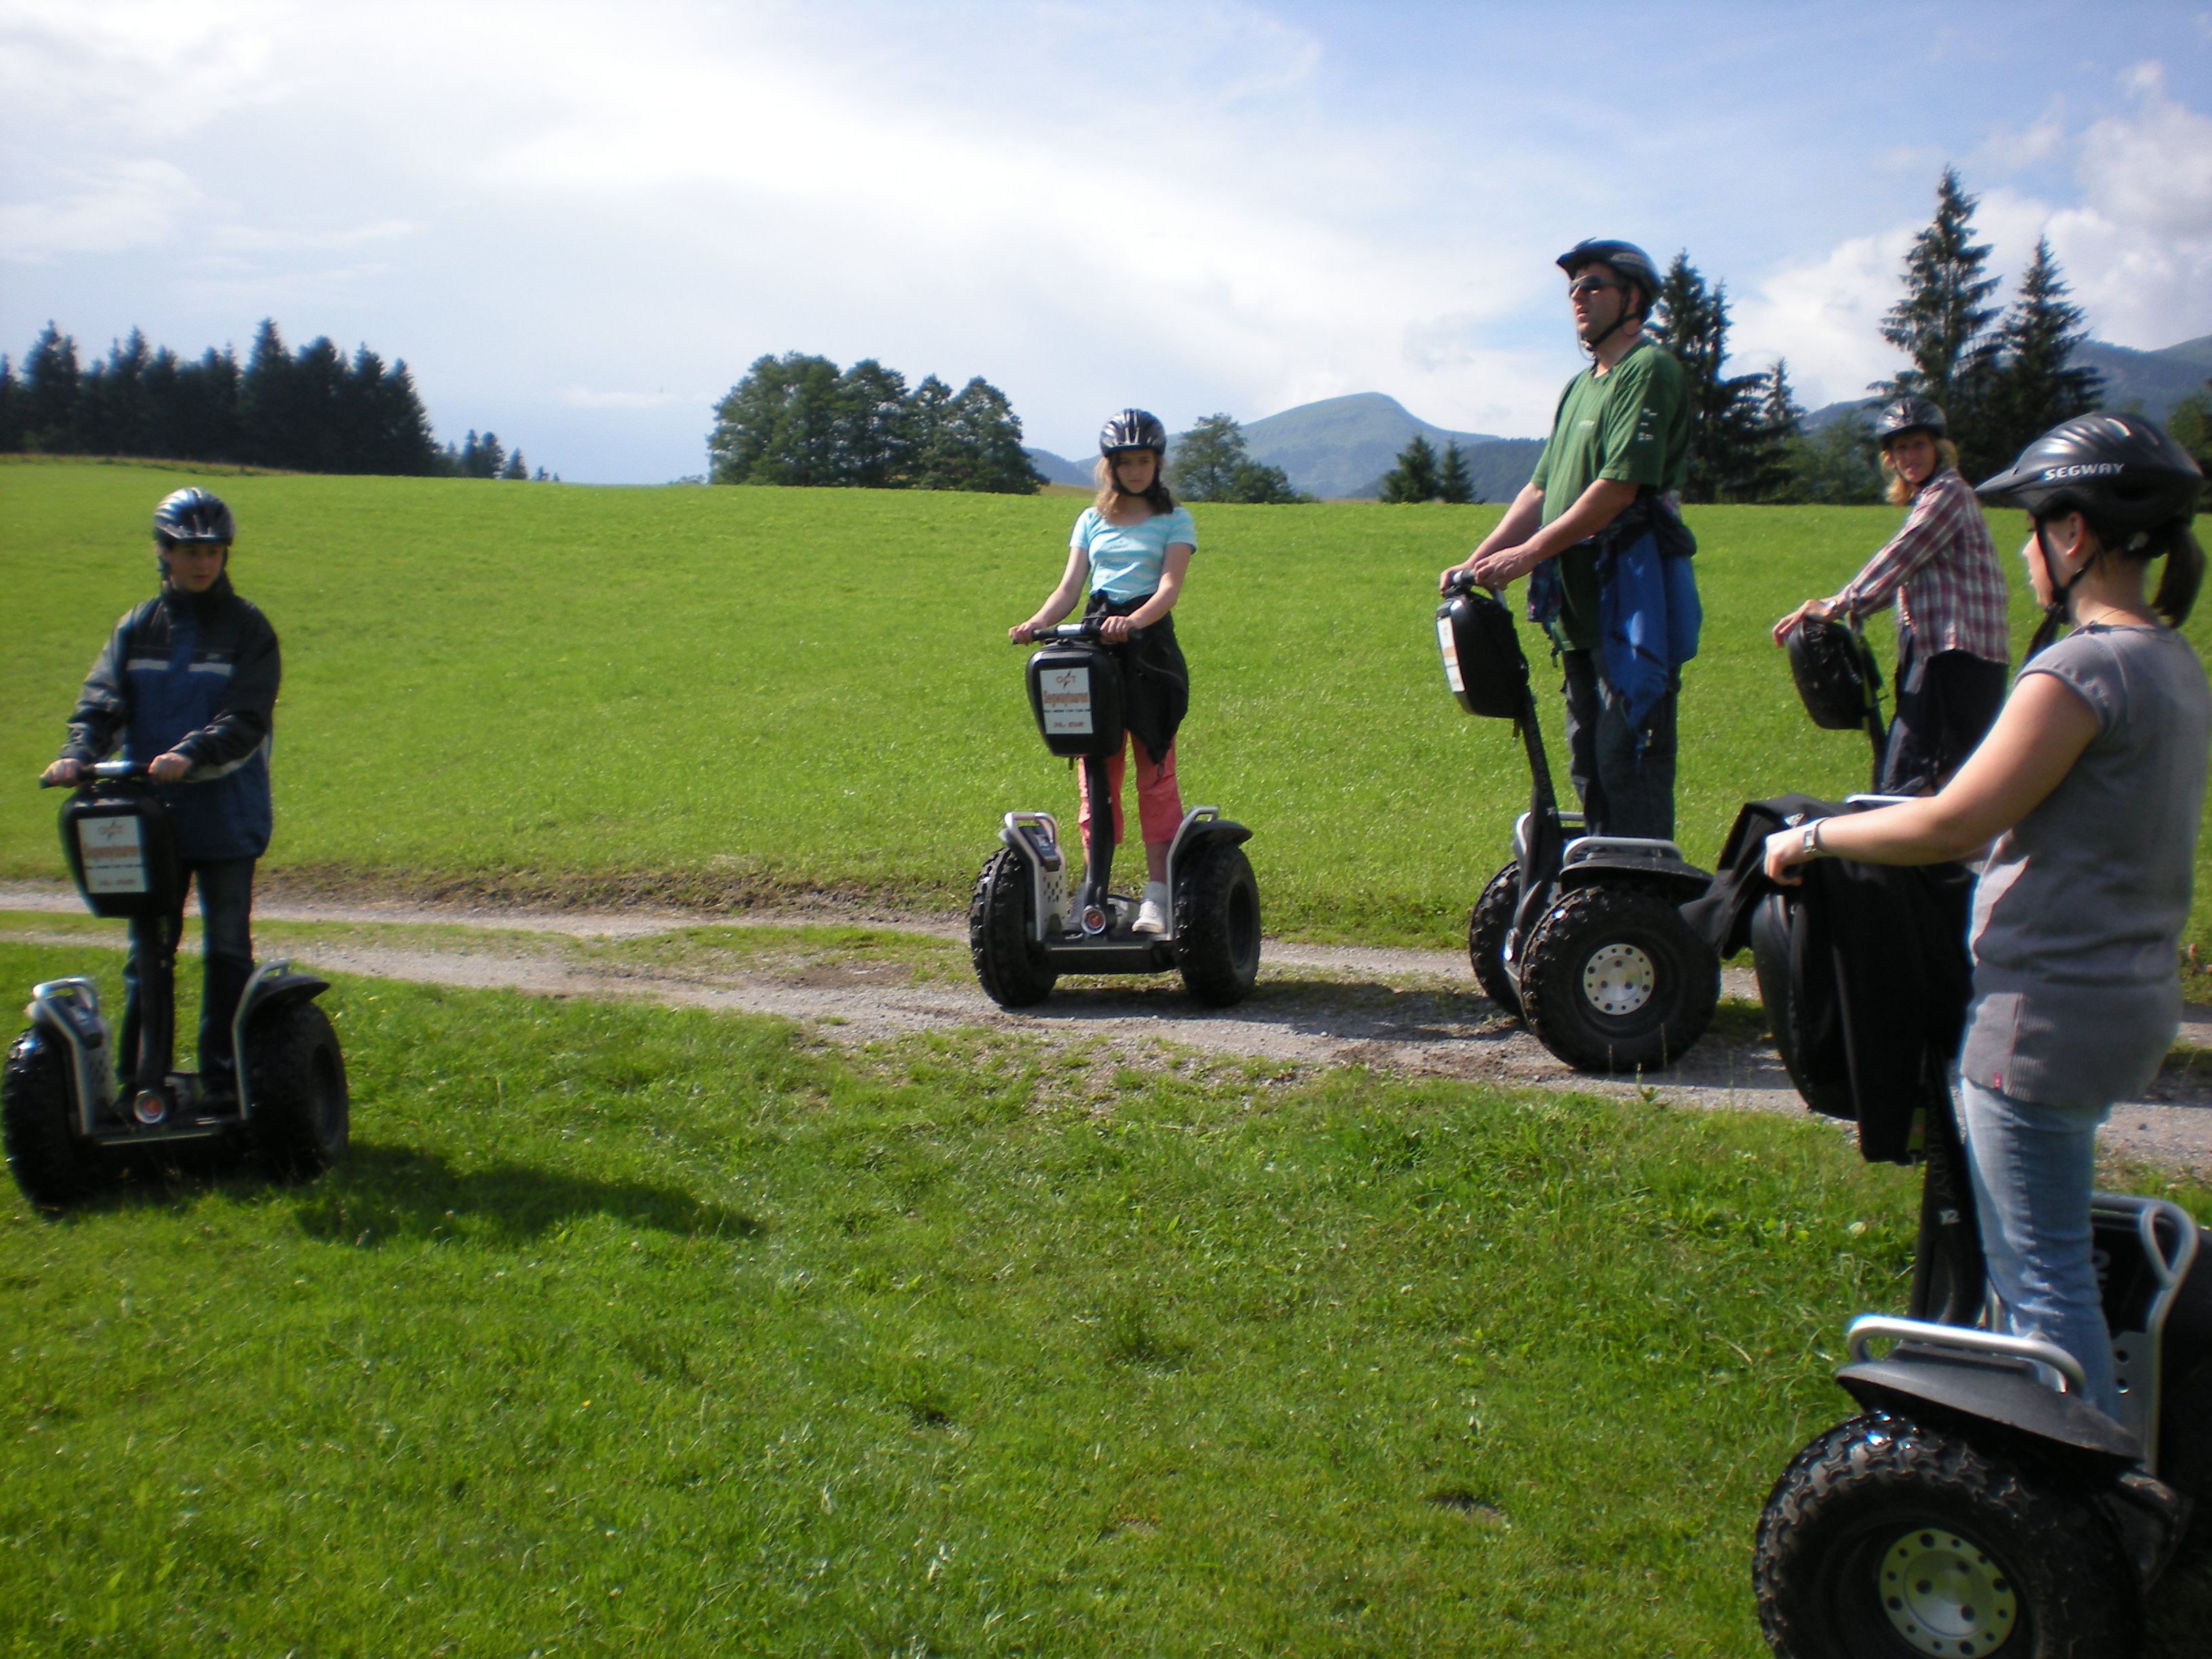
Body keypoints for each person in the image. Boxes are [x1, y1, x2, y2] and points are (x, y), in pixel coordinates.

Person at [1763, 412, 2207, 1416]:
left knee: (2039, 1279)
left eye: (2033, 529)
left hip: (2042, 1012)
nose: (2022, 551)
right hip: (2125, 999)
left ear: (2075, 535)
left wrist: (1814, 841)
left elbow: (1958, 817)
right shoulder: (2171, 662)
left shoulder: (2079, 672)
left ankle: (2069, 1513)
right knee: (2038, 1245)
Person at [1439, 239, 1698, 840]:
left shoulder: (1647, 370)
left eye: (1594, 286)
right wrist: (1478, 560)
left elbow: (1618, 488)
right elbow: (1539, 489)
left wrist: (1529, 556)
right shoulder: (1579, 387)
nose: (1578, 298)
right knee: (1588, 763)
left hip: (1631, 605)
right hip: (1578, 613)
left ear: (1633, 299)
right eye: (1574, 289)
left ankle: (1642, 905)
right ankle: (1599, 897)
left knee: (1627, 759)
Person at [41, 487, 282, 1101]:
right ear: (163, 553)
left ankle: (226, 1084)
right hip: (149, 817)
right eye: (187, 550)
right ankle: (138, 1084)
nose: (202, 562)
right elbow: (99, 702)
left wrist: (190, 753)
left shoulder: (248, 629)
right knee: (147, 948)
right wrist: (77, 755)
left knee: (227, 945)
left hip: (226, 812)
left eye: (213, 550)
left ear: (226, 554)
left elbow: (247, 717)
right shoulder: (137, 628)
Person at [1010, 409, 1194, 935]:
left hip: (1149, 651)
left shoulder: (1174, 519)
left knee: (1154, 776)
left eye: (1144, 460)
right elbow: (1069, 589)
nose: (1135, 470)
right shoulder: (1091, 520)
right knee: (1096, 779)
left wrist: (1131, 623)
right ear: (1108, 466)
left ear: (1156, 464)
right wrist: (1038, 622)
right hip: (1096, 649)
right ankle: (1097, 892)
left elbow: (1169, 588)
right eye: (1124, 462)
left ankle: (1157, 895)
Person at [1771, 396, 2009, 793]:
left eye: (1919, 445)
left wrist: (1836, 604)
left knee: (1912, 780)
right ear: (1891, 459)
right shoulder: (1935, 496)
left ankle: (1902, 851)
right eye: (1901, 448)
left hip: (1956, 656)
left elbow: (1902, 554)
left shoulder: (1948, 494)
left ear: (1938, 449)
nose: (1911, 455)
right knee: (1931, 777)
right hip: (1943, 655)